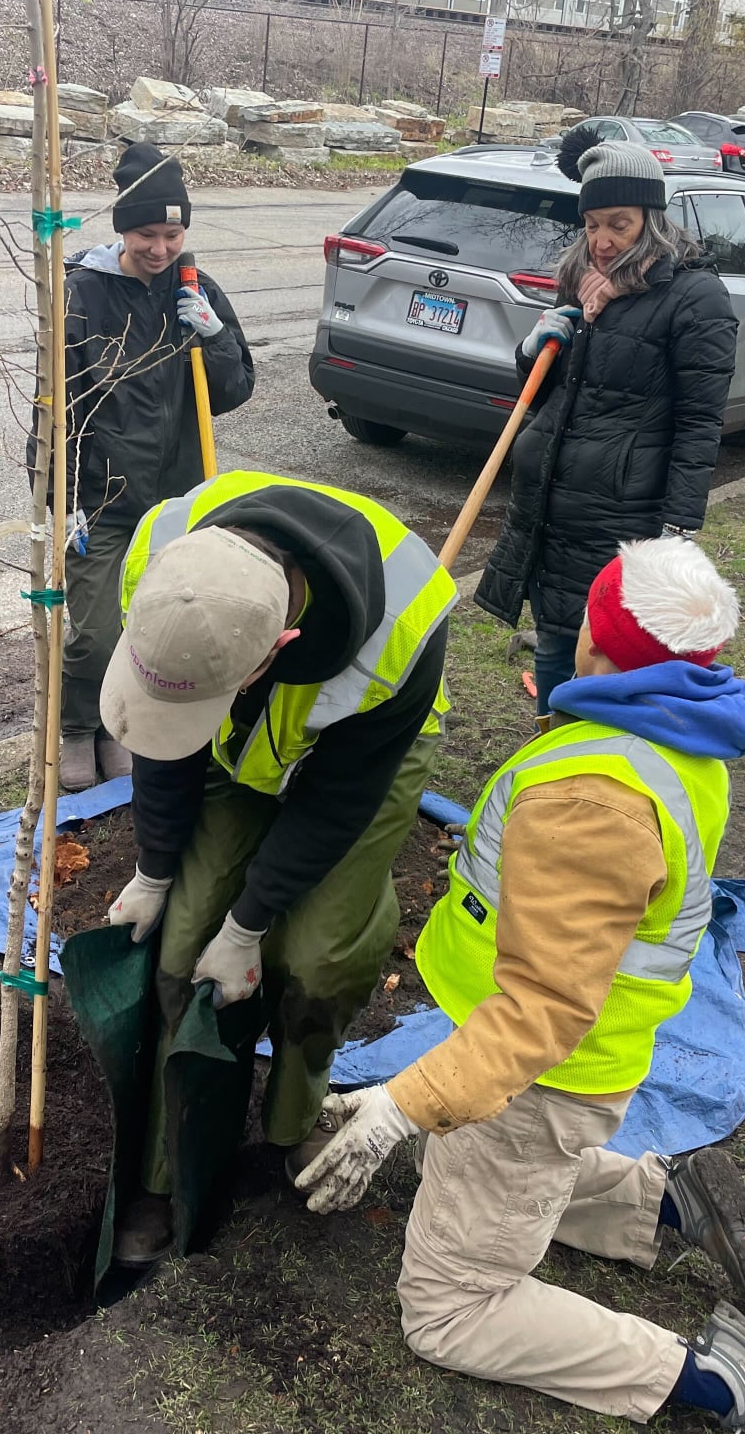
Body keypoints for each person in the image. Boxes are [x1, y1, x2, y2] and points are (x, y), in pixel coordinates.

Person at [293, 537, 745, 1434]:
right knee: (454, 1155)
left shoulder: (590, 795)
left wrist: (400, 1102)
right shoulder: (670, 729)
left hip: (539, 1078)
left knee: (450, 1309)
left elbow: (542, 1008)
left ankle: (704, 1381)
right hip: (569, 1066)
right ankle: (658, 1201)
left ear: (597, 643)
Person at [100, 470, 453, 1264]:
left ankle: (293, 1124)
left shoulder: (404, 630)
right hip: (232, 737)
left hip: (359, 754)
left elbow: (333, 805)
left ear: (279, 649)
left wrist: (252, 921)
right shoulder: (165, 548)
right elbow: (165, 729)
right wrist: (156, 869)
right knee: (183, 943)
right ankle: (167, 1168)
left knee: (318, 955)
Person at [476, 123, 739, 719]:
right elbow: (551, 394)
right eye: (592, 225)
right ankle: (547, 743)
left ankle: (589, 755)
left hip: (623, 511)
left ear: (652, 218)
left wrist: (679, 526)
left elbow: (701, 421)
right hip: (549, 500)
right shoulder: (580, 284)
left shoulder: (695, 298)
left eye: (618, 224)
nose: (601, 240)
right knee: (553, 637)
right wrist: (531, 351)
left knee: (608, 649)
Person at [56, 141, 255, 792]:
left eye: (173, 234)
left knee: (156, 626)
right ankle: (76, 726)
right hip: (103, 496)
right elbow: (55, 406)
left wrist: (215, 336)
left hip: (177, 499)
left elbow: (231, 392)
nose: (161, 248)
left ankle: (119, 727)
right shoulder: (84, 295)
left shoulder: (196, 291)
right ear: (123, 230)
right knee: (91, 631)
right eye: (146, 233)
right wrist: (60, 501)